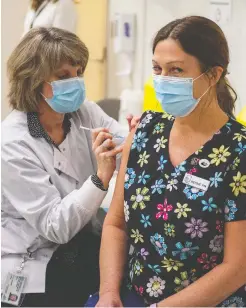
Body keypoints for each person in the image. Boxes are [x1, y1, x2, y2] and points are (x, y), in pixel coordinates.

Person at [95, 16, 246, 307]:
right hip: (132, 297)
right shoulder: (144, 132)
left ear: (213, 75)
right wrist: (108, 294)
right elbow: (116, 225)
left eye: (176, 70)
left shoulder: (238, 151)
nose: (163, 79)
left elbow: (237, 267)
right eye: (157, 68)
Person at [1, 27, 133, 307]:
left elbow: (127, 148)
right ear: (33, 80)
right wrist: (100, 178)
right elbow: (55, 227)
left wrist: (140, 135)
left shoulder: (83, 111)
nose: (75, 82)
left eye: (78, 72)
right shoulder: (12, 142)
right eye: (63, 76)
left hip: (79, 244)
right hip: (35, 259)